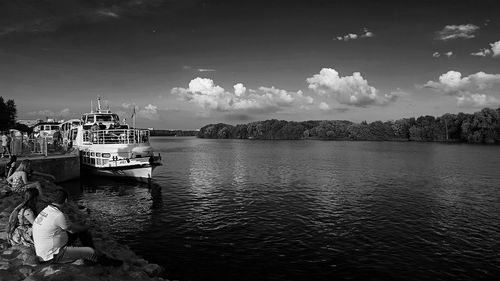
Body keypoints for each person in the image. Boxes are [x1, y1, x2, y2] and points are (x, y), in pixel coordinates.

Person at [32, 189, 122, 266]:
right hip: (53, 256)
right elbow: (73, 230)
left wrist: (82, 227)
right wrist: (88, 226)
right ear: (66, 200)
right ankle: (107, 261)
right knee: (90, 251)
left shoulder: (47, 210)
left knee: (81, 231)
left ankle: (92, 255)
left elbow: (71, 228)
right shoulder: (58, 215)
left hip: (44, 251)